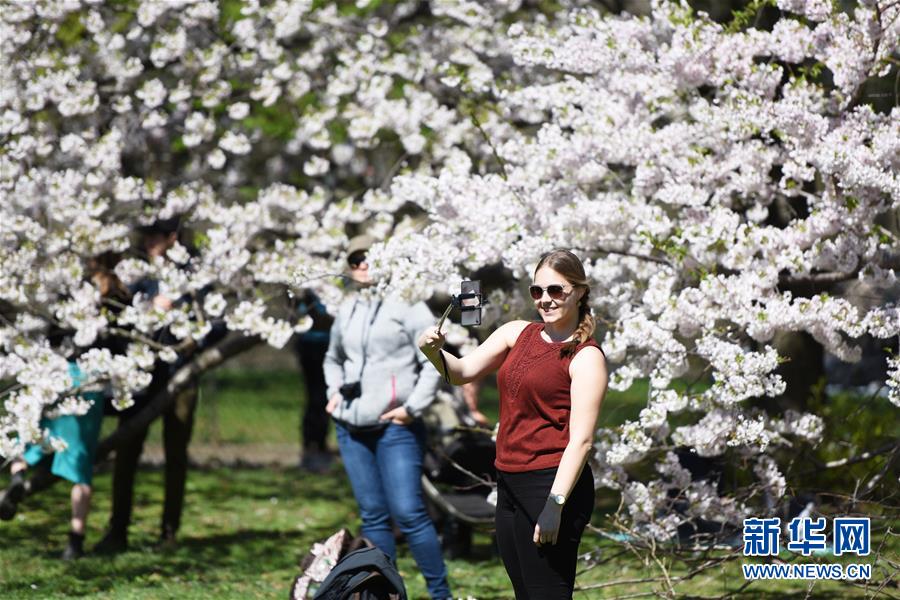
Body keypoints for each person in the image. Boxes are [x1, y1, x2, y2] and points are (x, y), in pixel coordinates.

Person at [418, 249, 608, 599]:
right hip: (507, 480)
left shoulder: (586, 357)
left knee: (547, 592)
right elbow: (461, 373)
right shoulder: (516, 333)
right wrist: (433, 350)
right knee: (525, 591)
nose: (545, 300)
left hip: (551, 486)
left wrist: (555, 505)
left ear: (579, 292)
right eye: (537, 291)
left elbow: (581, 442)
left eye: (556, 291)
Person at [323, 234, 453, 600]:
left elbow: (435, 358)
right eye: (355, 260)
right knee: (374, 516)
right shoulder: (347, 308)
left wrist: (413, 407)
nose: (363, 265)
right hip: (351, 428)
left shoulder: (409, 304)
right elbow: (332, 358)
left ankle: (441, 595)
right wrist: (333, 392)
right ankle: (386, 594)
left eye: (369, 257)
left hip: (396, 427)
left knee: (409, 512)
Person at [0, 258, 130, 560]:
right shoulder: (116, 299)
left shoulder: (67, 292)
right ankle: (75, 539)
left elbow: (50, 338)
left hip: (57, 373)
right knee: (80, 465)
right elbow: (122, 352)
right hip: (91, 381)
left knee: (30, 431)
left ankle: (19, 475)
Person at [95, 219, 201, 552]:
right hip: (140, 374)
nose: (148, 242)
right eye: (145, 236)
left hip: (182, 372)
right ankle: (118, 530)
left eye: (154, 236)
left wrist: (182, 319)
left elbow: (209, 321)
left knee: (176, 452)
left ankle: (169, 531)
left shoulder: (192, 272)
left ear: (172, 238)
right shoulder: (134, 272)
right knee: (127, 449)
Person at [292, 289, 335, 473]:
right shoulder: (305, 290)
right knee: (317, 398)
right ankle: (313, 446)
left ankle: (320, 444)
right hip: (312, 345)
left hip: (330, 344)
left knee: (325, 398)